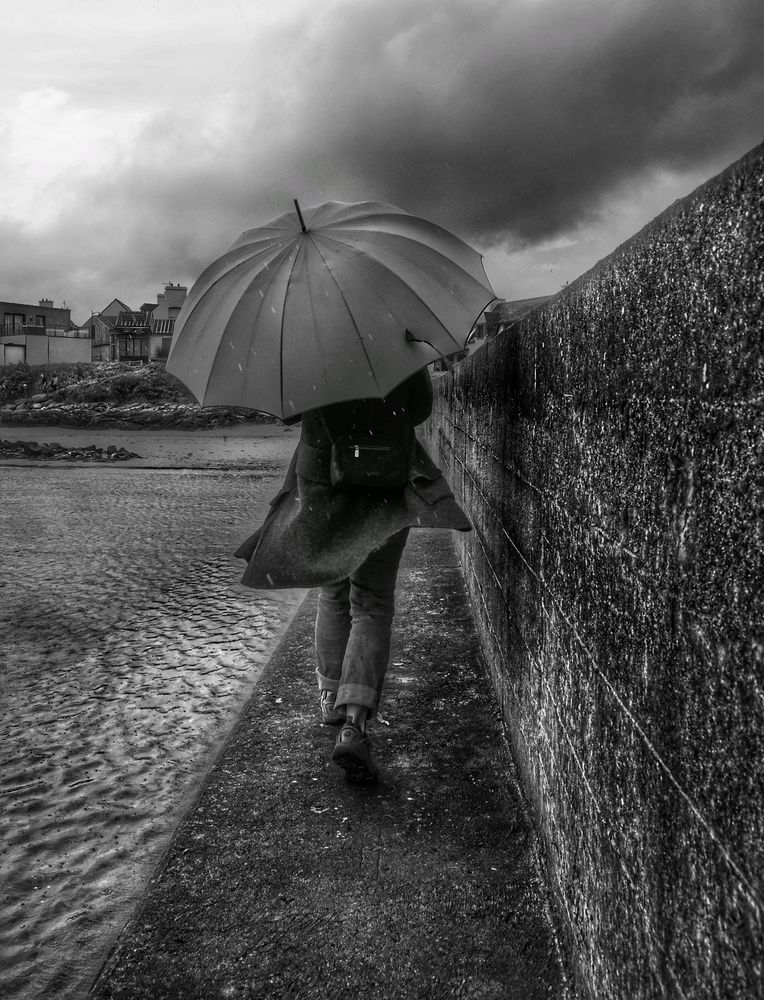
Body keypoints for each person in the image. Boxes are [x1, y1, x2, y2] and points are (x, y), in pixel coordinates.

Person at [234, 367, 471, 782]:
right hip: (384, 482)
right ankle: (354, 722)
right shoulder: (396, 340)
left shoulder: (307, 345)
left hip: (324, 487)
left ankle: (330, 698)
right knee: (372, 604)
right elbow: (418, 411)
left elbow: (289, 412)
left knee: (332, 594)